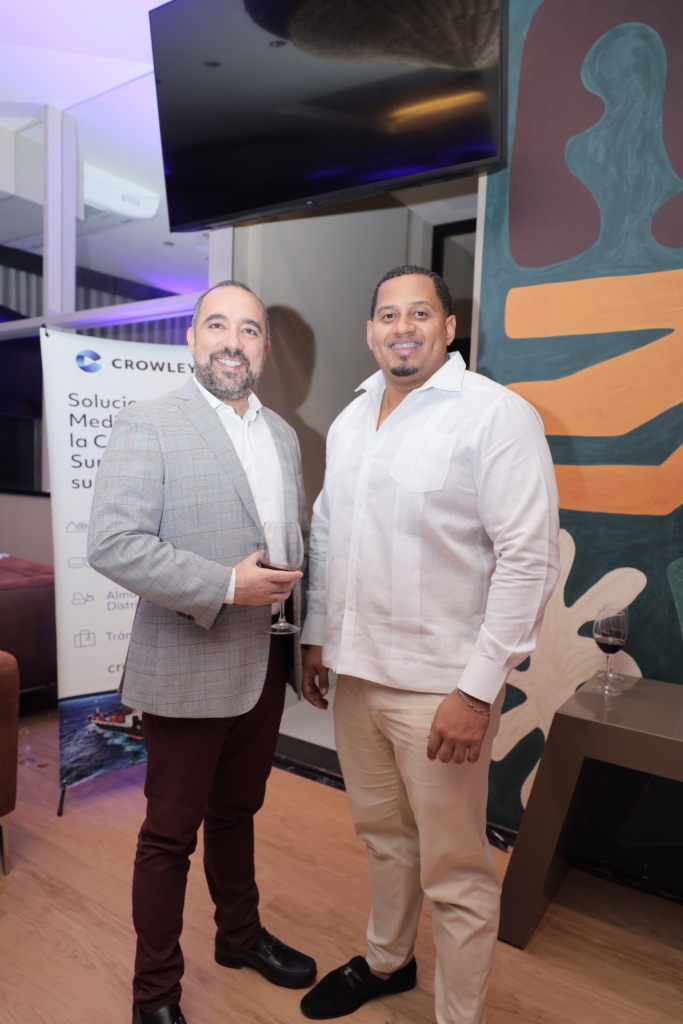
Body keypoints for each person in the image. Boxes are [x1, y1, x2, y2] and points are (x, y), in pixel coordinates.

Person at [299, 266, 560, 1024]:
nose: (402, 327)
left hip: (442, 692)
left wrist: (476, 691)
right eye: (388, 315)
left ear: (448, 328)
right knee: (383, 838)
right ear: (370, 331)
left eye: (420, 314)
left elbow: (528, 559)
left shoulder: (494, 415)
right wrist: (316, 638)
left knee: (456, 870)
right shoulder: (351, 420)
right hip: (355, 679)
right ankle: (388, 961)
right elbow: (329, 533)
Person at [88, 280, 316, 1024]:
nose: (232, 342)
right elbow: (113, 544)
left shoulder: (284, 436)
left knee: (237, 812)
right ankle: (154, 996)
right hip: (188, 660)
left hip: (266, 661)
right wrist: (224, 584)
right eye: (217, 325)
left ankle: (238, 937)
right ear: (191, 339)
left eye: (248, 330)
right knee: (168, 836)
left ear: (264, 348)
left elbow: (295, 545)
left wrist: (308, 635)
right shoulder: (149, 423)